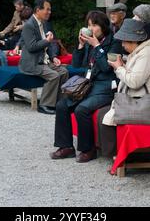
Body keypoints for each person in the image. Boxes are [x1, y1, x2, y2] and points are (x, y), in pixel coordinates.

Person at [50, 10, 121, 163]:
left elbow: (106, 68)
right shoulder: (90, 43)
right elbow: (76, 66)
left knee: (81, 109)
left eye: (95, 25)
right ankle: (66, 147)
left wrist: (96, 46)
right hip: (88, 85)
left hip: (106, 87)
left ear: (103, 27)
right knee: (62, 105)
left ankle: (88, 150)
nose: (91, 28)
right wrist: (81, 46)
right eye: (89, 25)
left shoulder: (114, 43)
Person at [97, 18, 150, 158]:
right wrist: (123, 65)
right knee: (102, 113)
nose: (122, 45)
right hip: (140, 98)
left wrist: (118, 68)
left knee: (106, 116)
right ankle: (111, 154)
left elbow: (134, 82)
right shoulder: (142, 52)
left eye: (124, 41)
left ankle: (117, 157)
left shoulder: (147, 54)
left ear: (134, 41)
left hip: (148, 104)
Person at [19, 0, 69, 115]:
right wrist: (47, 41)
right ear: (38, 10)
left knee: (64, 71)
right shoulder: (29, 25)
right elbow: (32, 47)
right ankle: (44, 104)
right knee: (54, 76)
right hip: (32, 62)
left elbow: (48, 45)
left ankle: (59, 103)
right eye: (47, 9)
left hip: (44, 59)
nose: (49, 12)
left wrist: (53, 57)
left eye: (50, 9)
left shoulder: (44, 23)